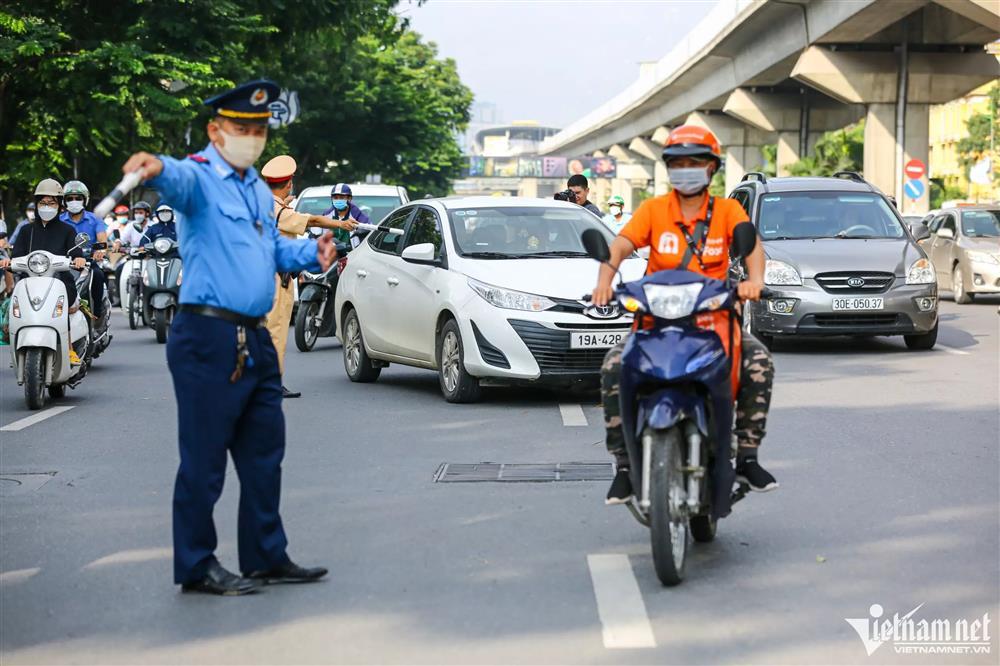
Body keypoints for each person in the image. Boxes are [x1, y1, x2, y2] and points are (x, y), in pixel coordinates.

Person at [120, 79, 334, 596]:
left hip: (254, 336)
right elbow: (172, 178)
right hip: (206, 333)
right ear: (216, 131)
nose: (251, 136)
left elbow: (273, 256)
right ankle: (196, 563)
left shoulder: (256, 191)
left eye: (258, 128)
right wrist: (154, 164)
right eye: (242, 127)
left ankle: (265, 555)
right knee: (205, 458)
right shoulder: (198, 177)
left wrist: (312, 255)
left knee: (265, 453)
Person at [591, 125, 777, 505]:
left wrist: (754, 281)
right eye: (679, 163)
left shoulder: (728, 210)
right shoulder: (653, 210)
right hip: (656, 322)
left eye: (696, 162)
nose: (687, 169)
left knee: (759, 362)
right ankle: (624, 466)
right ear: (669, 168)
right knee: (613, 365)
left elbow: (752, 246)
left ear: (711, 168)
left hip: (714, 319)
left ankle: (747, 456)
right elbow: (621, 245)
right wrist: (604, 281)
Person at [260, 155, 354, 399]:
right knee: (275, 331)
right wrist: (340, 225)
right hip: (275, 279)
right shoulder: (280, 211)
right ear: (288, 183)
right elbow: (311, 220)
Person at [2, 180, 86, 363]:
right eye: (43, 203)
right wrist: (9, 262)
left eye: (52, 203)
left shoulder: (68, 230)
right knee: (15, 305)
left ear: (59, 206)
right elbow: (16, 257)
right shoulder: (26, 231)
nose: (47, 207)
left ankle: (69, 347)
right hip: (29, 281)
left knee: (63, 305)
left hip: (60, 281)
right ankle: (16, 343)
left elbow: (76, 253)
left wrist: (79, 259)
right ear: (37, 204)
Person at [60, 180, 108, 319]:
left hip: (88, 262)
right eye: (70, 198)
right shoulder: (59, 220)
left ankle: (97, 313)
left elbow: (102, 240)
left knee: (98, 275)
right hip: (65, 263)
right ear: (64, 201)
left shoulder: (95, 219)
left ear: (85, 200)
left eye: (78, 198)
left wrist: (100, 251)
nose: (74, 201)